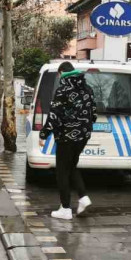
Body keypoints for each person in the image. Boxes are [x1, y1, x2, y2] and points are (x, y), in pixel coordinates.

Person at [39, 61, 96, 220]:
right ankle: (83, 198)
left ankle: (65, 208)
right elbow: (94, 113)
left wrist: (43, 134)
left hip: (66, 137)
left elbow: (54, 116)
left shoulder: (63, 90)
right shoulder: (88, 89)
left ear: (62, 73)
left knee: (62, 171)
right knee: (71, 166)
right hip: (83, 136)